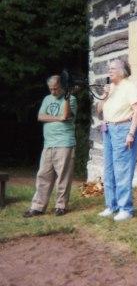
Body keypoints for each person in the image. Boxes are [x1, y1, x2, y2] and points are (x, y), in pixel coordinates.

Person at [23, 75, 77, 217]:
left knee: (63, 177)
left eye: (56, 89)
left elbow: (65, 115)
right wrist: (58, 118)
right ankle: (38, 207)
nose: (53, 92)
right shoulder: (47, 99)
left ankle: (61, 206)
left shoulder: (71, 99)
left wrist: (66, 97)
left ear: (62, 86)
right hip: (49, 143)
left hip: (65, 143)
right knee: (43, 175)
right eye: (51, 89)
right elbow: (40, 117)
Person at [96, 59, 137, 221]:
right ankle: (112, 206)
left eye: (113, 68)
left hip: (124, 129)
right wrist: (104, 96)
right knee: (109, 169)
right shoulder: (111, 87)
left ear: (123, 71)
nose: (110, 70)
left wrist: (131, 134)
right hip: (108, 129)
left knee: (122, 170)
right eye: (109, 68)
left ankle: (126, 209)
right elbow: (99, 110)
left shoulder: (129, 87)